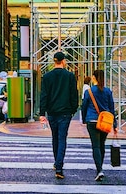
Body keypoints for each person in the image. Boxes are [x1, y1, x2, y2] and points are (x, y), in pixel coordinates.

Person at [39, 51, 78, 180]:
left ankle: (57, 163)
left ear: (54, 61)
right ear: (63, 61)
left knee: (55, 138)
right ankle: (59, 166)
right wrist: (73, 109)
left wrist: (42, 113)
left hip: (52, 112)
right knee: (62, 139)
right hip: (65, 112)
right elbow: (74, 95)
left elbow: (44, 95)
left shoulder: (47, 77)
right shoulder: (70, 76)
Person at [81, 69, 116, 182]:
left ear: (94, 78)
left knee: (95, 146)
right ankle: (100, 167)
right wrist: (114, 124)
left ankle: (99, 170)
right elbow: (111, 108)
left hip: (92, 120)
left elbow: (84, 106)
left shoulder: (89, 91)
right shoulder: (108, 91)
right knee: (102, 144)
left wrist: (84, 119)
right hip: (105, 121)